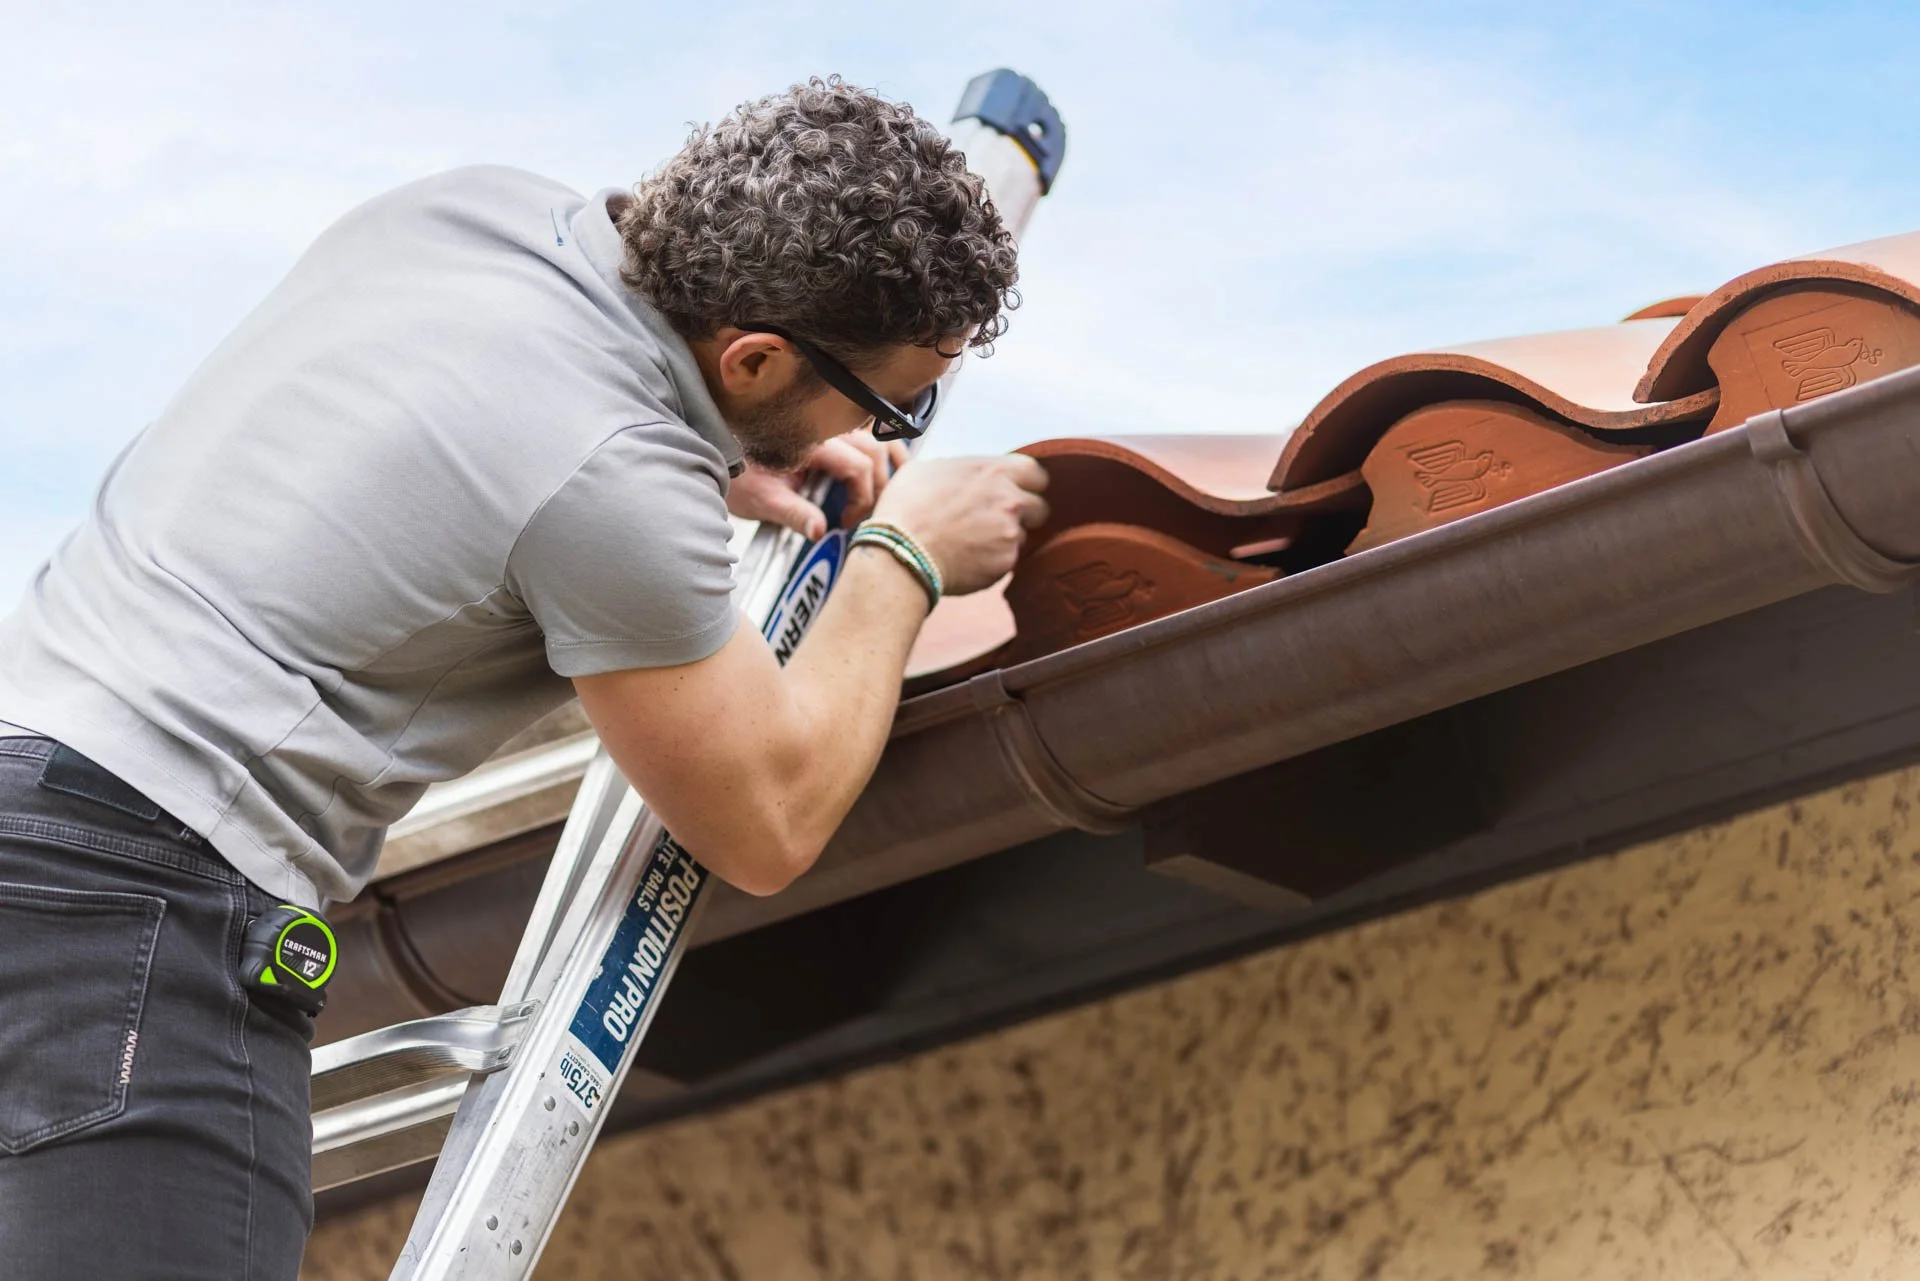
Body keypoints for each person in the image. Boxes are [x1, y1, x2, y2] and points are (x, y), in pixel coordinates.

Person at [0, 75, 1049, 1278]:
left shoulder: (467, 216)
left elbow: (448, 455)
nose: (899, 430)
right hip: (135, 907)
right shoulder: (609, 482)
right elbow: (766, 819)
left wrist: (704, 461)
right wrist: (906, 557)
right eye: (894, 399)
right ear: (755, 356)